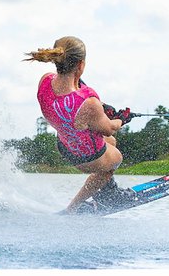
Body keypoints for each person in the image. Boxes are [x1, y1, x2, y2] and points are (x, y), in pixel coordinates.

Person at [24, 36, 135, 213]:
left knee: (110, 142)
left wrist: (101, 108)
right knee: (115, 158)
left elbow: (70, 96)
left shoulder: (45, 81)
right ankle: (73, 208)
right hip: (86, 158)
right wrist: (122, 118)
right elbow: (109, 127)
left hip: (64, 147)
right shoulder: (88, 102)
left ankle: (107, 193)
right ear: (81, 65)